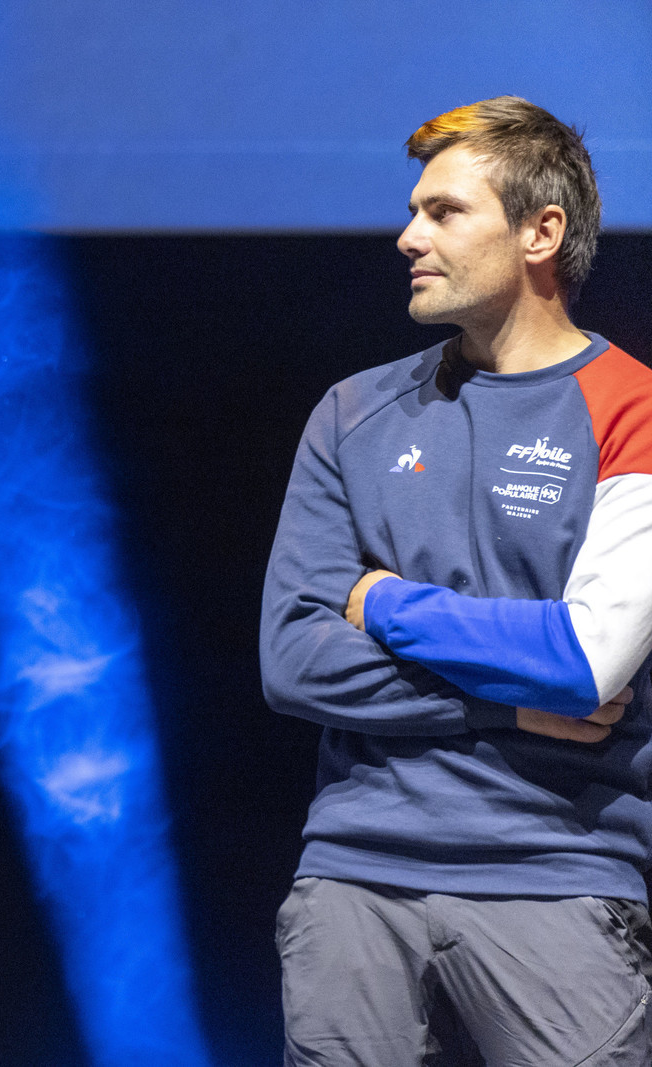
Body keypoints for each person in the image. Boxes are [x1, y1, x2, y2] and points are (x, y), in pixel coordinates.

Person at [260, 96, 652, 1064]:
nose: (407, 236)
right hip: (354, 877)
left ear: (539, 232)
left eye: (443, 212)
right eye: (412, 210)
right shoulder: (352, 413)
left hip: (558, 872)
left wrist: (381, 601)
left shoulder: (630, 408)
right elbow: (293, 659)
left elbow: (580, 660)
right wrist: (504, 711)